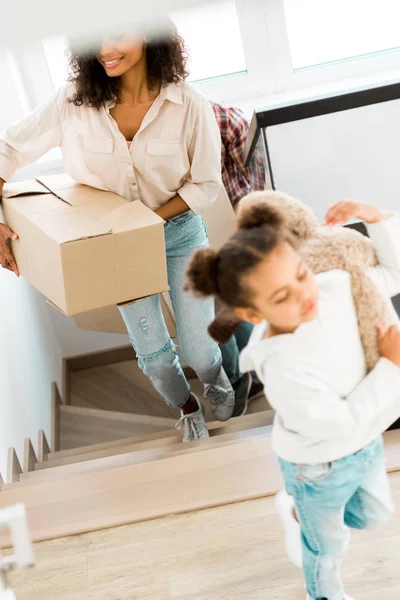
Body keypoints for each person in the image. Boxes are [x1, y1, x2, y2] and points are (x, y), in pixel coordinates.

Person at [0, 24, 235, 441]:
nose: (105, 50)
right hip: (117, 247)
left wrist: (150, 222)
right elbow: (8, 148)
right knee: (157, 359)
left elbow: (205, 185)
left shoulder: (188, 104)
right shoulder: (71, 102)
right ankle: (187, 406)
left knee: (200, 351)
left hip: (179, 232)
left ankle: (216, 378)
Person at [186, 196, 400, 600]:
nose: (305, 295)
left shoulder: (331, 286)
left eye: (302, 273)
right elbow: (338, 423)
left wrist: (379, 219)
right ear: (251, 314)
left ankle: (298, 512)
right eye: (282, 297)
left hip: (367, 442)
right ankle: (322, 592)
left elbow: (392, 273)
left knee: (373, 516)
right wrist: (392, 367)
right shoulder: (284, 368)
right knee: (327, 549)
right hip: (318, 466)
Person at [212, 101, 265, 413]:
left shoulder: (222, 119)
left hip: (227, 228)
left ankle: (236, 380)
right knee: (224, 308)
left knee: (217, 313)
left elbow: (249, 186)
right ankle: (250, 374)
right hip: (204, 227)